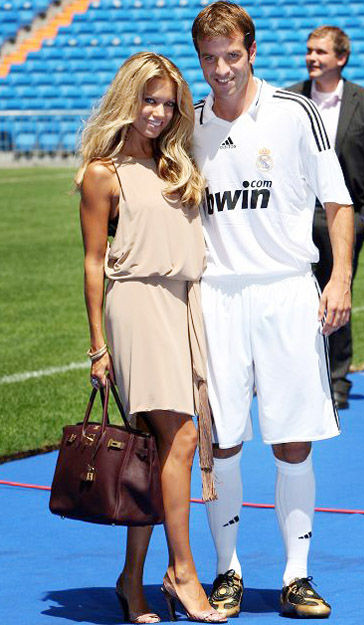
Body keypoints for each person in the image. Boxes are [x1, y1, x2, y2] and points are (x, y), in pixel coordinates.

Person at [191, 2, 354, 619]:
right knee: (221, 442)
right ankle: (226, 572)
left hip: (287, 292)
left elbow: (337, 202)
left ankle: (296, 576)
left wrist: (339, 278)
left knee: (292, 441)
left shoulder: (295, 113)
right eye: (209, 58)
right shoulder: (190, 123)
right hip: (217, 296)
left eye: (232, 55)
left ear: (252, 52)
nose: (221, 69)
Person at [77, 51, 226, 624]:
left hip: (183, 305)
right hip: (136, 304)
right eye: (148, 100)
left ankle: (130, 582)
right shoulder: (103, 173)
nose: (158, 112)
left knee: (151, 448)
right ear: (128, 99)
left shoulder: (176, 164)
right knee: (181, 437)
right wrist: (98, 347)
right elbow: (93, 262)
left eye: (167, 103)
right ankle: (183, 571)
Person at [288, 25, 364, 409]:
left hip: (344, 219)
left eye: (321, 52)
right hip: (298, 217)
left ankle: (336, 381)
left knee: (337, 296)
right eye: (309, 50)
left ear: (341, 58)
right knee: (295, 298)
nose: (312, 57)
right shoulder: (291, 100)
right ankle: (299, 376)